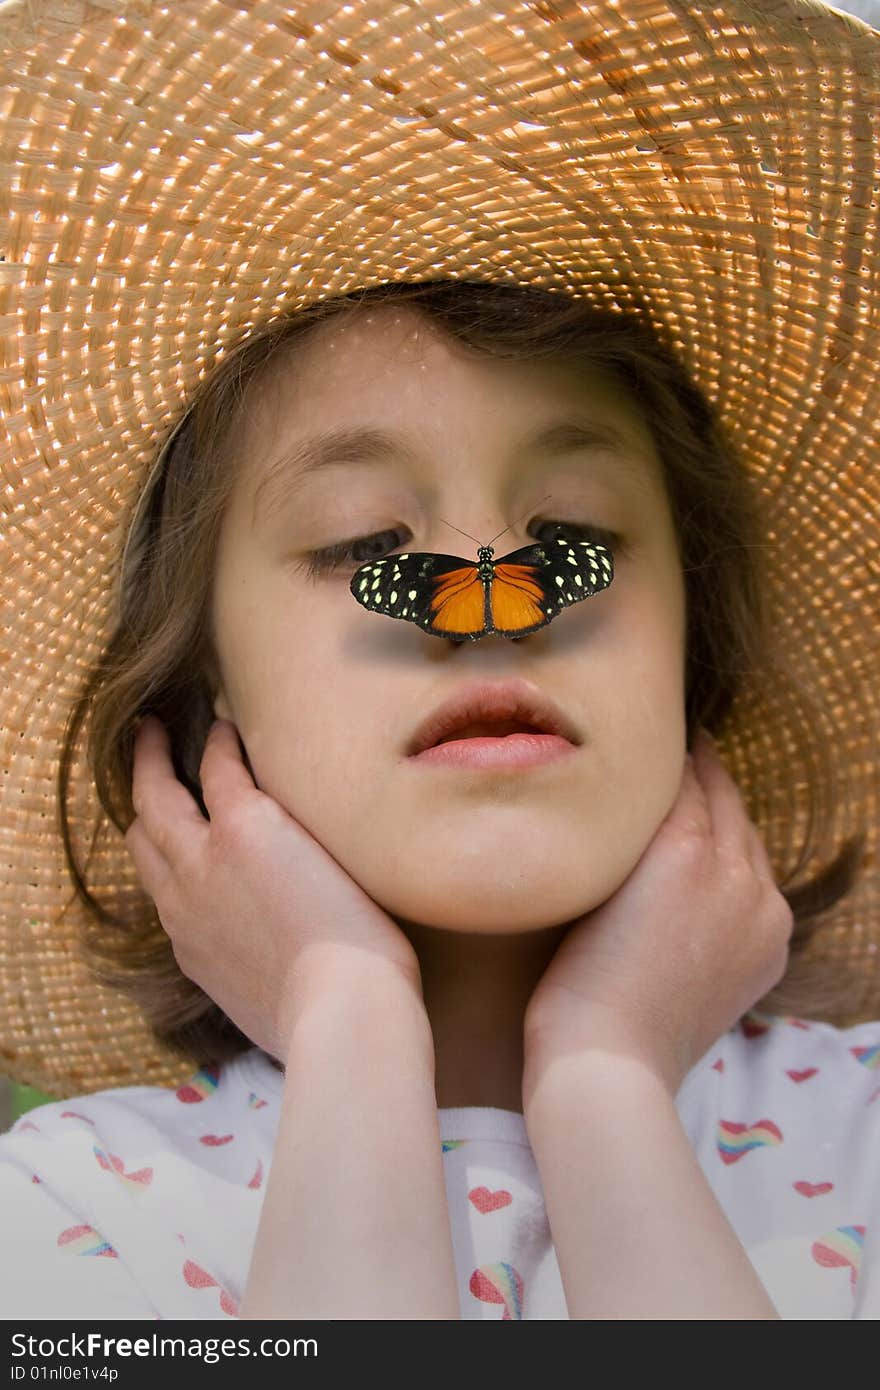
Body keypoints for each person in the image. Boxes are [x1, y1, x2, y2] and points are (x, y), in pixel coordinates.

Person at [0, 0, 877, 1321]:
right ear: (205, 678)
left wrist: (607, 1078)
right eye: (365, 543)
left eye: (571, 537)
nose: (490, 614)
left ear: (692, 639)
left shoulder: (860, 1137)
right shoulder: (69, 1205)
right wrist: (347, 1017)